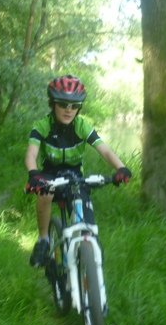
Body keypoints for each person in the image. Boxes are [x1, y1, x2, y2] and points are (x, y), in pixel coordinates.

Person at [24, 74, 132, 267]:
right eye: (63, 104)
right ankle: (43, 240)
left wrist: (121, 168)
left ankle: (89, 259)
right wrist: (33, 174)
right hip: (50, 173)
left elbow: (105, 150)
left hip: (74, 173)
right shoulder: (42, 126)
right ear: (53, 104)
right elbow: (31, 154)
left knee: (86, 218)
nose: (68, 109)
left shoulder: (82, 126)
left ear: (79, 107)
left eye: (74, 106)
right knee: (45, 194)